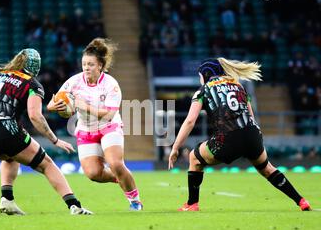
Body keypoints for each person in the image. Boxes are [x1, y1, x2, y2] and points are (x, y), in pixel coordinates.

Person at [168, 58, 312, 211]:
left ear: (205, 74)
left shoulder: (203, 91)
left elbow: (190, 121)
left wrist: (175, 148)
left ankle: (191, 204)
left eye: (200, 76)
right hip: (252, 134)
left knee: (194, 158)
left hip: (228, 139)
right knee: (267, 169)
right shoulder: (238, 85)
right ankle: (301, 200)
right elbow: (250, 116)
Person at [0, 48, 93, 216]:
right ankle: (74, 206)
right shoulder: (33, 84)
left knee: (10, 156)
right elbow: (35, 116)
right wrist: (55, 140)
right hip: (4, 128)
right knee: (46, 164)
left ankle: (7, 200)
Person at [47, 38, 143, 211]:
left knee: (115, 163)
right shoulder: (74, 82)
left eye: (90, 64)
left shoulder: (111, 84)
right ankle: (121, 178)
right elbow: (51, 104)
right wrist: (55, 106)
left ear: (100, 65)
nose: (86, 68)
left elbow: (109, 115)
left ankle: (135, 200)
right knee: (93, 174)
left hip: (109, 126)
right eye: (84, 64)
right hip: (85, 129)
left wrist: (85, 106)